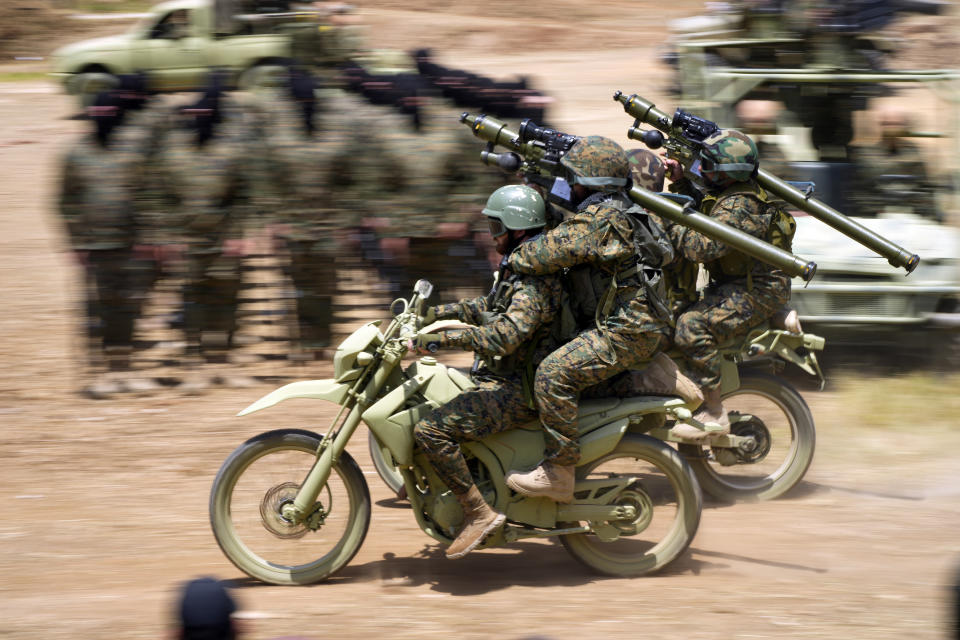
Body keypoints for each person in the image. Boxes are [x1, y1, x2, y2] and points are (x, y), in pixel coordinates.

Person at [501, 136, 687, 502]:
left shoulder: (601, 221)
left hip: (625, 331)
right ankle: (646, 377)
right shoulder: (621, 209)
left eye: (574, 178)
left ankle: (559, 472)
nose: (569, 185)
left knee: (552, 375)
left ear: (591, 183)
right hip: (637, 324)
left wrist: (513, 253)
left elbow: (538, 255)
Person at [411, 184, 563, 559]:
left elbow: (505, 336)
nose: (492, 235)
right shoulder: (522, 264)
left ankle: (479, 514)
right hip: (505, 376)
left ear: (517, 228)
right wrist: (436, 315)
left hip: (521, 387)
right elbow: (489, 307)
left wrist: (440, 342)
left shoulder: (534, 278)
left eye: (497, 227)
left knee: (430, 430)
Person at [663, 128, 795, 435]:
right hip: (742, 283)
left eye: (706, 166)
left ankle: (714, 410)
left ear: (726, 174)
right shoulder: (730, 195)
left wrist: (666, 218)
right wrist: (680, 181)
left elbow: (700, 247)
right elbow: (702, 210)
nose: (701, 171)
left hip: (759, 290)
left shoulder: (740, 207)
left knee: (691, 325)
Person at [153, 73, 259, 392]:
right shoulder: (172, 150)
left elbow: (246, 192)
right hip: (187, 240)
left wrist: (242, 233)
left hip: (225, 239)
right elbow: (159, 195)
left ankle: (223, 362)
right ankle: (194, 365)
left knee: (227, 302)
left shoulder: (232, 148)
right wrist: (166, 236)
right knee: (192, 300)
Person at [58, 87, 160, 398]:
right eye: (97, 115)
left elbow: (147, 194)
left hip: (130, 245)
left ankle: (125, 370)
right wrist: (75, 242)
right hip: (95, 248)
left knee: (129, 309)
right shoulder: (75, 154)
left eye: (108, 115)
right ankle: (99, 374)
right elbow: (65, 201)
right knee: (97, 311)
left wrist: (149, 237)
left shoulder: (133, 151)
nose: (103, 120)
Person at [852, 105, 937, 219]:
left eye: (896, 124)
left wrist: (927, 216)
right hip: (877, 215)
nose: (892, 128)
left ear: (904, 126)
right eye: (887, 124)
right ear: (881, 125)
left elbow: (924, 188)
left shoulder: (914, 153)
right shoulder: (867, 155)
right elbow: (863, 191)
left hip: (911, 215)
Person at [174, 576, 238, 640]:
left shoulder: (188, 590)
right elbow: (233, 619)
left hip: (193, 630)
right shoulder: (219, 589)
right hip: (218, 630)